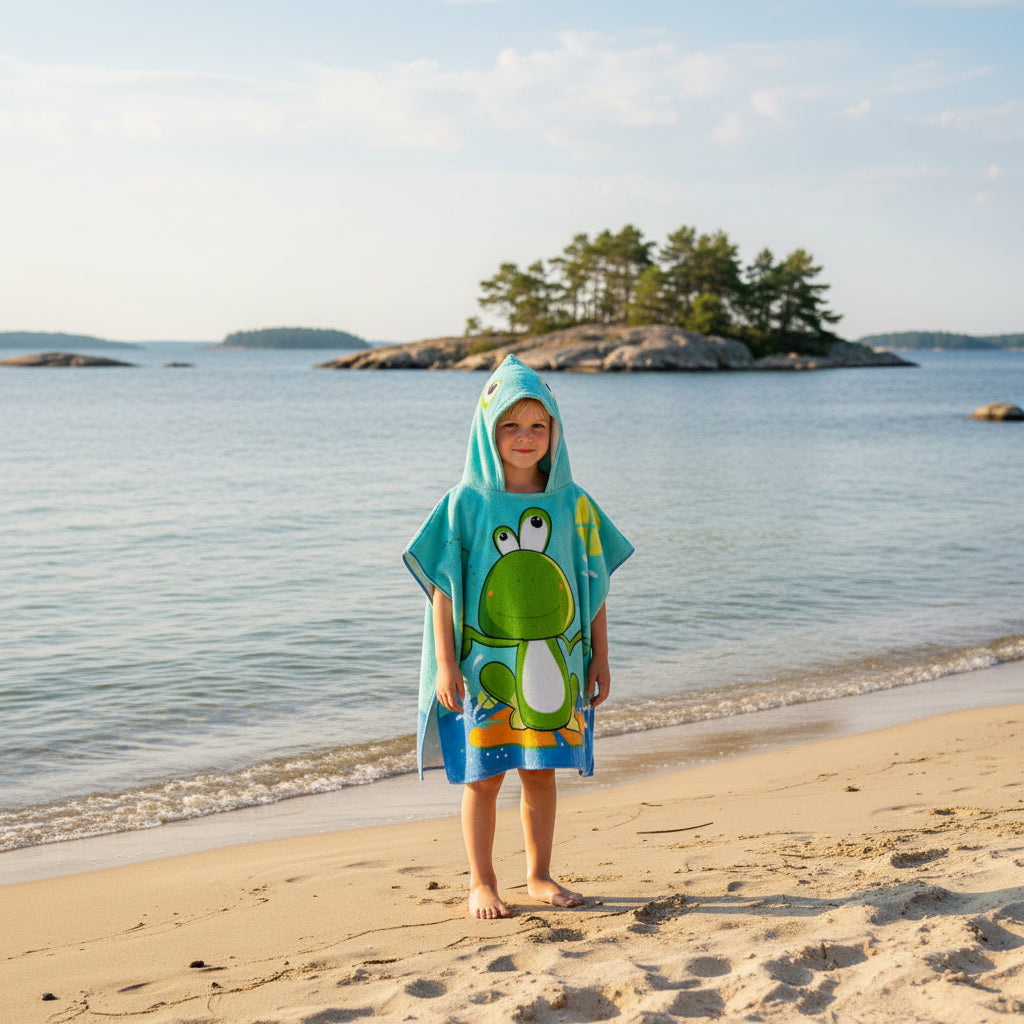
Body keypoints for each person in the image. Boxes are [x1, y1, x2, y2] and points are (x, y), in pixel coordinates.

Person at [403, 354, 633, 919]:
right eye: (510, 424)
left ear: (555, 431)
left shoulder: (573, 504)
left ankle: (539, 874)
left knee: (540, 774)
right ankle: (481, 882)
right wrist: (446, 666)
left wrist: (601, 654)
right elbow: (444, 589)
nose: (525, 437)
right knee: (483, 777)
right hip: (484, 668)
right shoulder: (466, 504)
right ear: (487, 431)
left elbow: (592, 584)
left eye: (538, 425)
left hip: (558, 665)